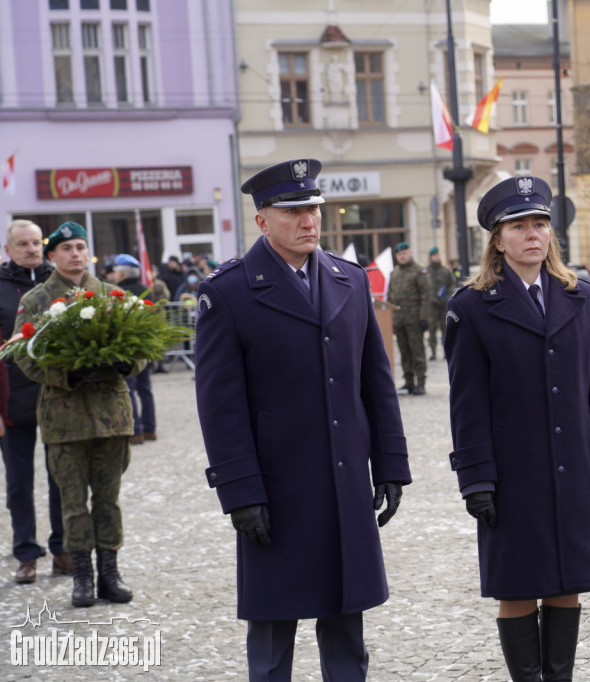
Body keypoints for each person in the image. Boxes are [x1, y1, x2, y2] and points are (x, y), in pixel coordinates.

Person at [194, 158, 411, 680]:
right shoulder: (228, 292)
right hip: (276, 487)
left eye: (313, 208)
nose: (309, 221)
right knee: (272, 631)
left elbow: (375, 381)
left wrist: (390, 465)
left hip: (343, 483)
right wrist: (241, 492)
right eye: (293, 211)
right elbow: (220, 406)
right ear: (262, 221)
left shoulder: (349, 280)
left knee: (345, 623)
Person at [444, 175, 590, 682]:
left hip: (572, 465)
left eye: (540, 223)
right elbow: (467, 403)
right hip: (512, 470)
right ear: (497, 240)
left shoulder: (579, 296)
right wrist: (476, 477)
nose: (532, 234)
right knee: (519, 587)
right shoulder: (472, 307)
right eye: (519, 226)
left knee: (566, 581)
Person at [15, 222, 142, 608]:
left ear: (89, 253)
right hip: (64, 419)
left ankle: (110, 572)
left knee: (108, 499)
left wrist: (127, 363)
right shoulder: (37, 301)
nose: (75, 254)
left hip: (110, 415)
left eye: (80, 247)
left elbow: (142, 347)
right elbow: (22, 356)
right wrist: (66, 373)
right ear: (51, 255)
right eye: (66, 248)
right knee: (73, 504)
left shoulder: (113, 294)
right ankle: (82, 577)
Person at [0, 220, 71, 584]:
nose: (30, 249)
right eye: (22, 244)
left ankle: (62, 549)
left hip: (56, 397)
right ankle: (26, 554)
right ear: (8, 250)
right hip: (12, 402)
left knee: (61, 478)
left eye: (35, 242)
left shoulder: (55, 282)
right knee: (18, 484)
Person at [108, 254, 157, 445]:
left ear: (121, 273)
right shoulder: (146, 290)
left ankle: (136, 430)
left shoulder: (119, 292)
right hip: (145, 347)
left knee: (130, 389)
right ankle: (150, 428)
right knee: (146, 389)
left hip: (126, 349)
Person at [387, 241, 429, 394]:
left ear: (410, 253)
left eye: (404, 253)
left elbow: (426, 296)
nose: (402, 257)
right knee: (404, 351)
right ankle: (409, 381)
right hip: (399, 319)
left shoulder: (419, 271)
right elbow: (390, 296)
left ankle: (421, 382)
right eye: (399, 254)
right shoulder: (394, 273)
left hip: (414, 319)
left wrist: (424, 318)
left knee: (416, 350)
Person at [425, 246, 456, 362]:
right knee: (432, 329)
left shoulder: (445, 270)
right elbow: (424, 288)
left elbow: (451, 285)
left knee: (445, 329)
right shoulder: (426, 271)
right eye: (434, 256)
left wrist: (447, 298)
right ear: (431, 257)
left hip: (444, 305)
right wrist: (431, 299)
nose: (437, 257)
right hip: (431, 305)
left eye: (438, 255)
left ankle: (445, 351)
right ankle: (432, 352)